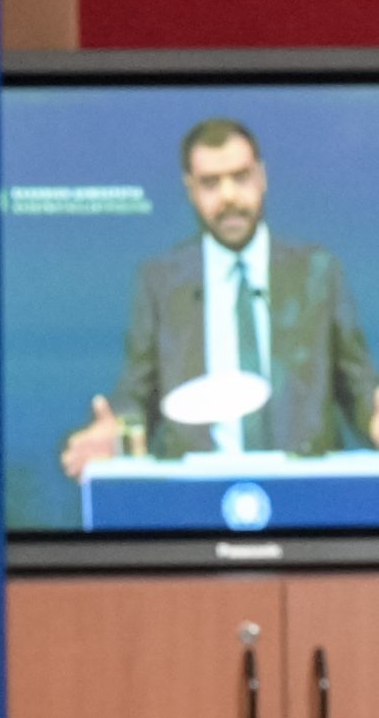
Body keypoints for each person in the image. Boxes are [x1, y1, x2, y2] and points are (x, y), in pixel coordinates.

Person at [60, 117, 378, 480]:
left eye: (240, 177)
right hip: (197, 498)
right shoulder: (161, 281)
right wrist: (114, 433)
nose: (228, 196)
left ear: (262, 177)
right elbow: (138, 394)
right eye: (210, 183)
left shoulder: (317, 271)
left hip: (305, 493)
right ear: (190, 189)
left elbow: (357, 386)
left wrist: (374, 415)